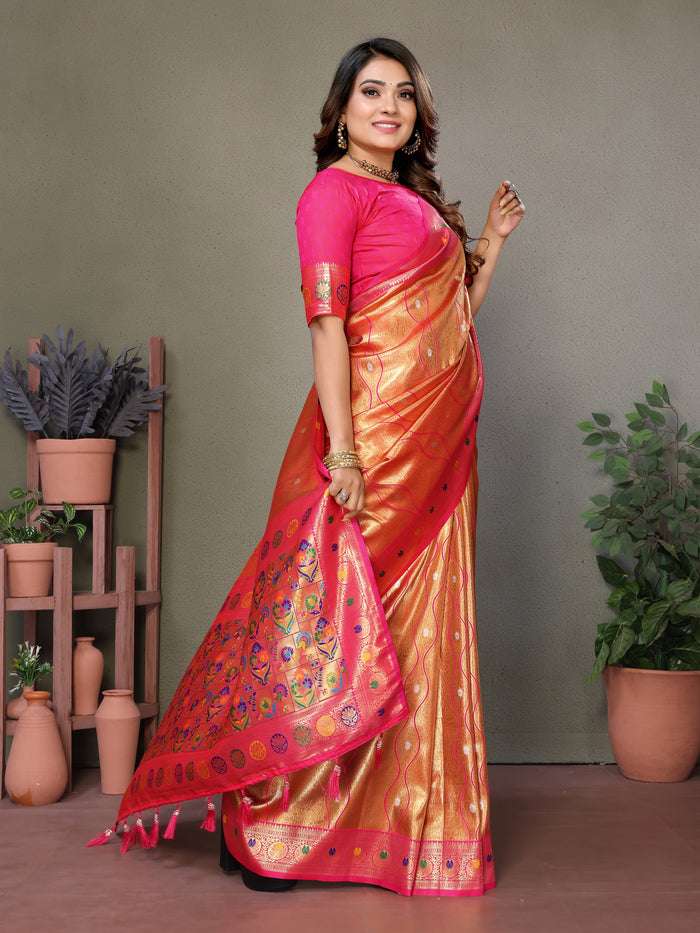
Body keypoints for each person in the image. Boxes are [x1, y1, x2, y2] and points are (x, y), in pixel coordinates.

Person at [94, 38, 524, 898]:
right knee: (325, 620)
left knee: (405, 630)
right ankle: (263, 820)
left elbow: (451, 321)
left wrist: (491, 246)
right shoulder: (330, 194)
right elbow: (328, 329)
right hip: (373, 438)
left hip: (438, 446)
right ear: (341, 110)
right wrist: (347, 450)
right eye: (372, 91)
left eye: (403, 94)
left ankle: (385, 820)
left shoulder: (413, 200)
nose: (390, 107)